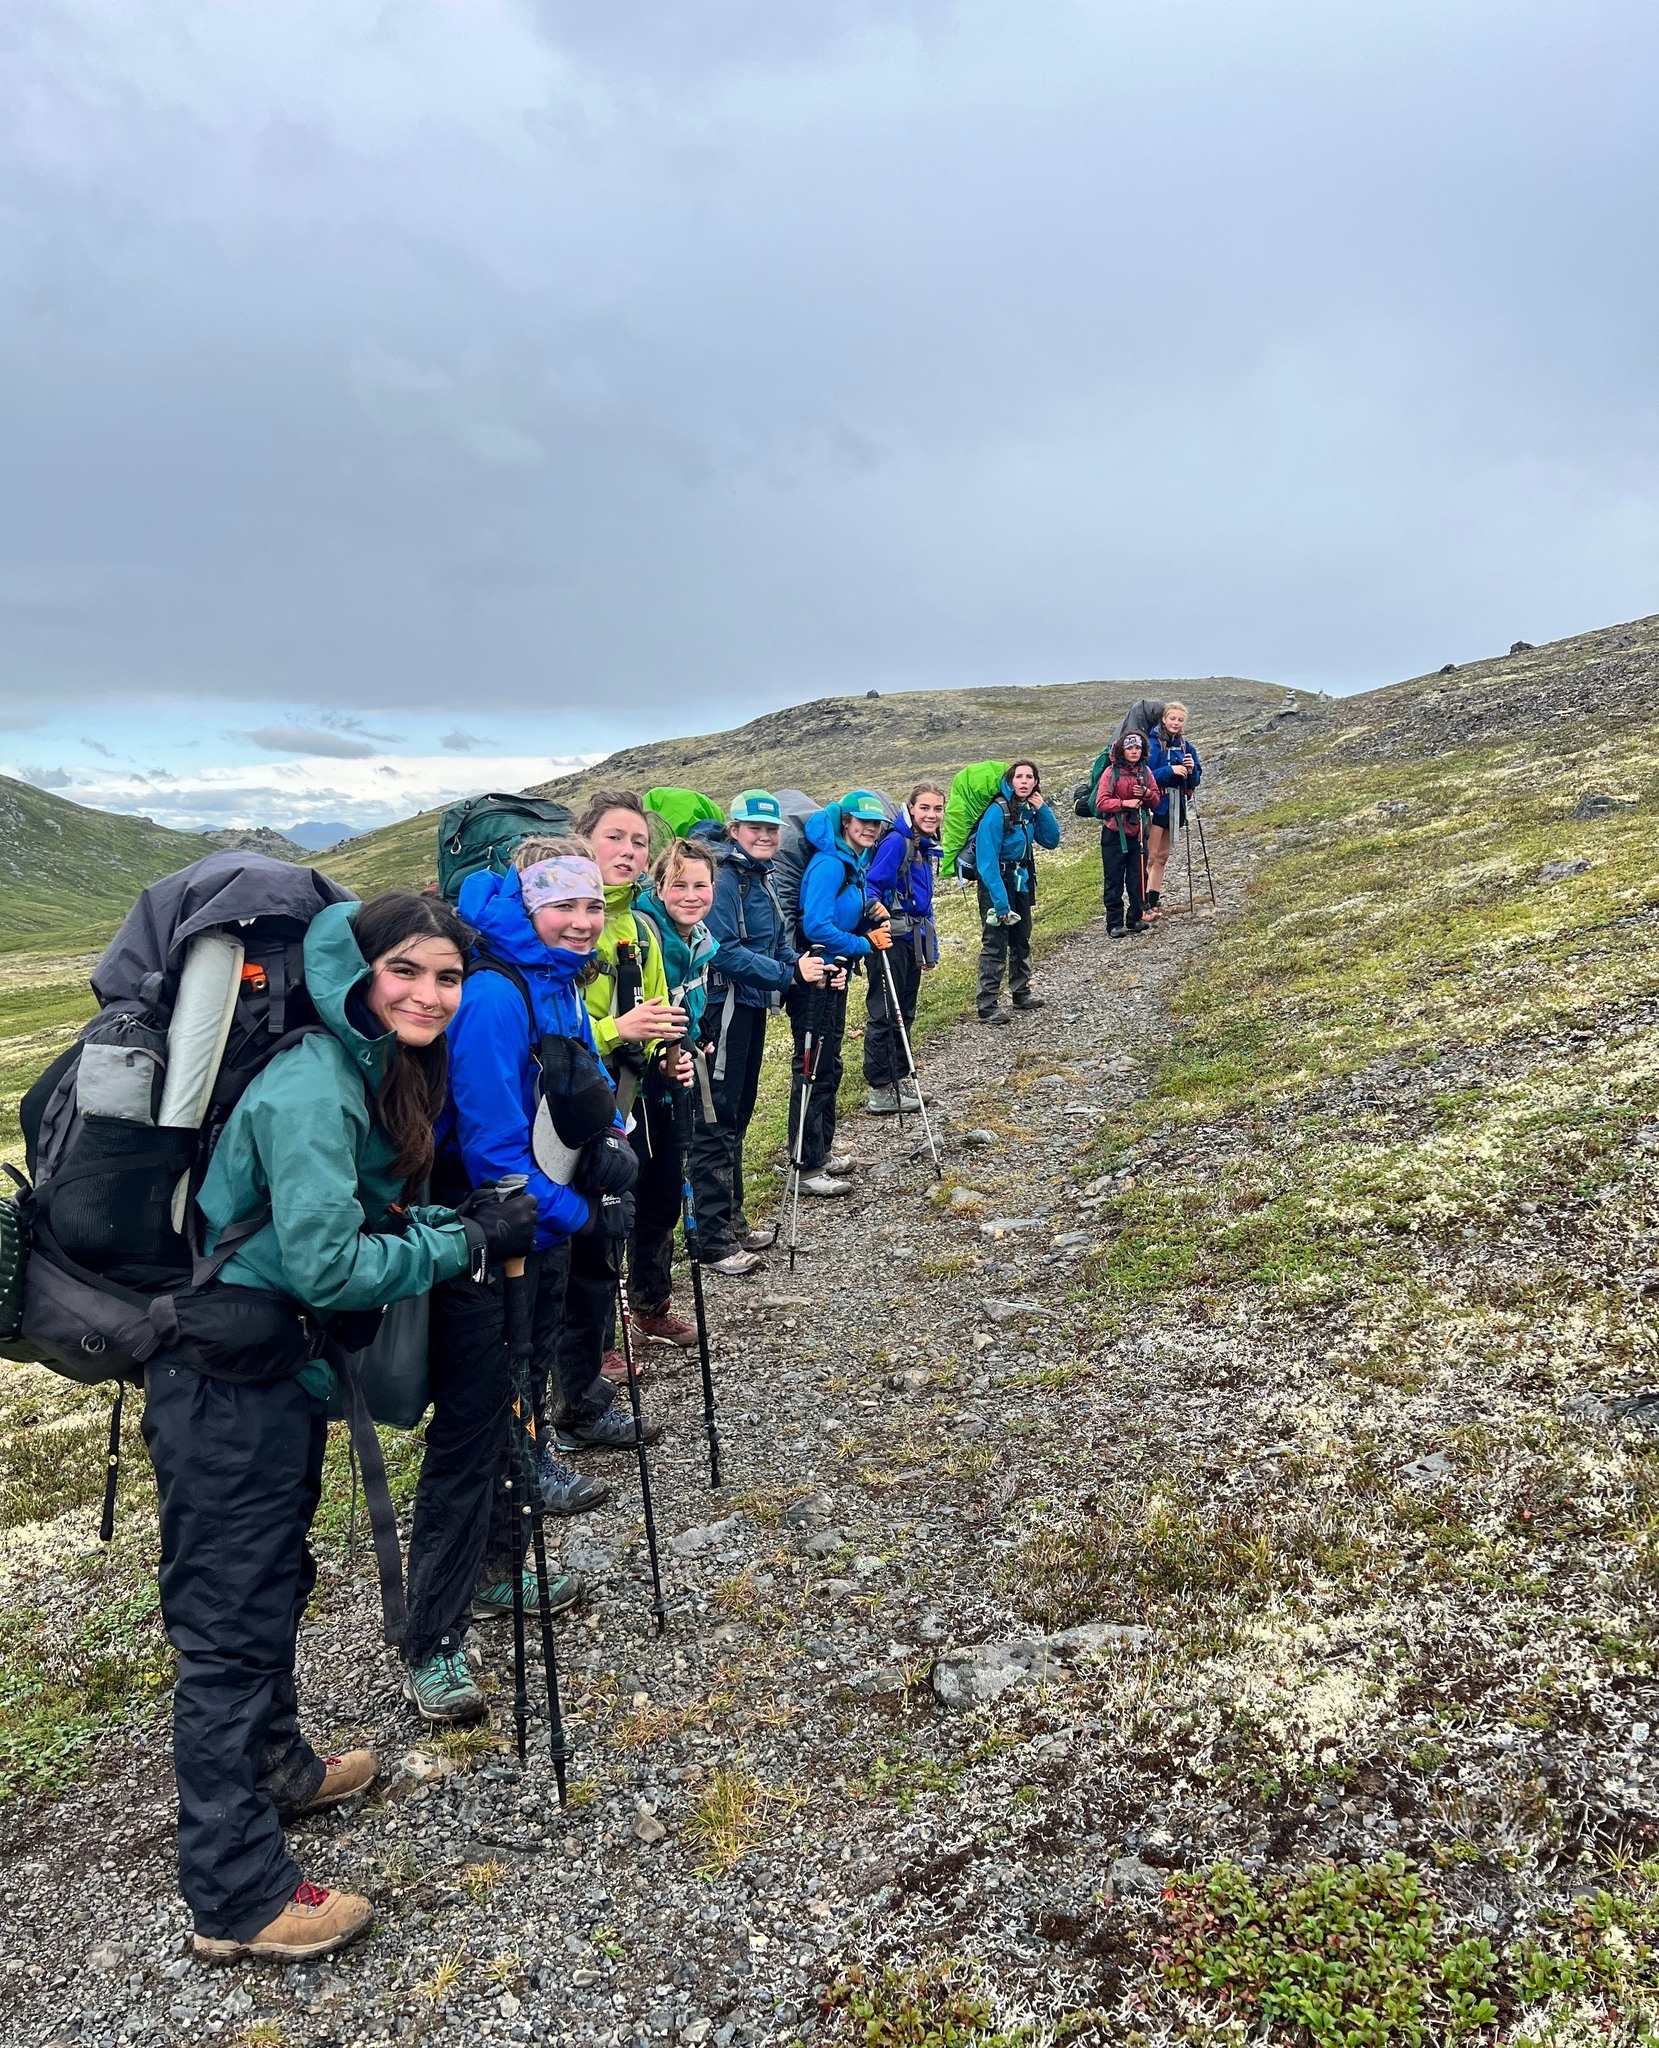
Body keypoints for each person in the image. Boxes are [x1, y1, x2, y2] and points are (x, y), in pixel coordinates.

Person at [150, 889, 537, 1963]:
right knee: (229, 1618)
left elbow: (340, 1224)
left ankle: (280, 1770)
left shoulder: (355, 1064)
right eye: (406, 969)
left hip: (266, 1368)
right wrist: (460, 1246)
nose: (428, 992)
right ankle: (236, 1897)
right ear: (356, 970)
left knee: (271, 1578)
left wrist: (446, 1222)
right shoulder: (316, 1081)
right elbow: (327, 1260)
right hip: (223, 1380)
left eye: (447, 976)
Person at [401, 839, 623, 1726]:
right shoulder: (494, 993)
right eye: (562, 905)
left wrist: (612, 1155)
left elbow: (577, 1094)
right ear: (523, 906)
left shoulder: (559, 976)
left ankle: (498, 1571)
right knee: (471, 1432)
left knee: (516, 1408)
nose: (580, 920)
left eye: (593, 905)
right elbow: (494, 1154)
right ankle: (432, 1641)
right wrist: (577, 1213)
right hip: (490, 1237)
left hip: (540, 1225)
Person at [559, 789, 688, 1411]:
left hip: (634, 1092)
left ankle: (629, 1318)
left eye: (639, 842)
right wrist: (620, 1031)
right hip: (578, 1099)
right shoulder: (567, 921)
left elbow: (658, 1006)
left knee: (631, 1203)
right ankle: (591, 1345)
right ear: (585, 841)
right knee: (587, 1217)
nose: (630, 851)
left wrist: (669, 1050)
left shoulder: (639, 925)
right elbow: (561, 1028)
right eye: (615, 837)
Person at [691, 791, 832, 1276]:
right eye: (754, 828)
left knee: (739, 1113)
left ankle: (732, 1222)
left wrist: (805, 965)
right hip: (722, 1008)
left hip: (748, 1007)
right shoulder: (726, 879)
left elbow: (775, 944)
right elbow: (723, 950)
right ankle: (711, 1241)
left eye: (771, 829)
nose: (765, 835)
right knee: (715, 1120)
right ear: (734, 830)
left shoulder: (759, 876)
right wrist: (786, 974)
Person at [631, 837, 719, 1330]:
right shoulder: (645, 934)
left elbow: (694, 1005)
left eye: (700, 885)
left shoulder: (698, 939)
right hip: (635, 1082)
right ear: (659, 886)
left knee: (664, 1194)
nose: (690, 894)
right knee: (625, 1200)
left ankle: (650, 1304)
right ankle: (604, 1332)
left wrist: (697, 1041)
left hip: (676, 1075)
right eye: (679, 884)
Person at [791, 790, 887, 1196]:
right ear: (845, 821)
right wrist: (866, 943)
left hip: (835, 974)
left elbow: (840, 913)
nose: (868, 828)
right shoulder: (831, 863)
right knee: (813, 1069)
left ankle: (820, 1152)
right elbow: (816, 926)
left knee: (828, 1065)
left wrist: (869, 910)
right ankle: (806, 1165)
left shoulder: (852, 862)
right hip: (817, 977)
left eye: (875, 823)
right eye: (861, 821)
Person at [862, 781, 943, 1114]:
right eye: (924, 807)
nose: (931, 814)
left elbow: (924, 902)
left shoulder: (921, 843)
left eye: (937, 808)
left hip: (911, 939)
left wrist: (930, 948)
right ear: (910, 809)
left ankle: (897, 1080)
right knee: (885, 1013)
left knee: (904, 1011)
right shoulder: (897, 842)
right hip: (890, 940)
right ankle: (881, 1089)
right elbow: (871, 886)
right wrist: (875, 918)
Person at [973, 760, 1060, 1025]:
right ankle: (987, 1005)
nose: (1024, 781)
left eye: (1029, 777)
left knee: (1021, 937)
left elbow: (1051, 840)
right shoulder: (996, 812)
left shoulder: (1027, 810)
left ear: (1035, 782)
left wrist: (1042, 808)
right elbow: (986, 863)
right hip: (997, 883)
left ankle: (1021, 992)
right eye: (1019, 776)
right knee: (995, 942)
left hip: (1021, 880)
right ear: (1010, 781)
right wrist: (1000, 903)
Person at [1093, 730, 1161, 937]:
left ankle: (1134, 919)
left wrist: (1148, 794)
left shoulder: (1145, 771)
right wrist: (1124, 803)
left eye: (1138, 747)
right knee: (1113, 879)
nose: (1134, 751)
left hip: (1138, 833)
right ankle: (1114, 923)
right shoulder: (1110, 773)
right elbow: (1101, 802)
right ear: (1122, 750)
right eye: (1130, 747)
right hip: (1114, 833)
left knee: (1137, 877)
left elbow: (1156, 801)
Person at [1144, 702, 1203, 921]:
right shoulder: (1151, 745)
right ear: (1164, 719)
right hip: (1156, 804)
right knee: (1150, 857)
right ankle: (1143, 903)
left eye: (1180, 720)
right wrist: (1170, 770)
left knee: (1163, 857)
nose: (1176, 723)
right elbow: (1144, 775)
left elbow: (1194, 781)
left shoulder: (1187, 747)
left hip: (1176, 804)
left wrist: (1191, 769)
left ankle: (1153, 900)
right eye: (1172, 719)